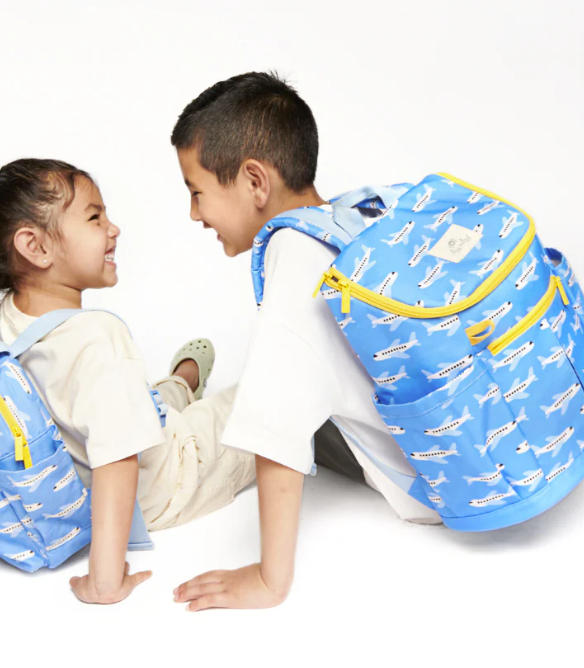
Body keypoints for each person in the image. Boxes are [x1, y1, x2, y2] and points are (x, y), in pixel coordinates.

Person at [0, 158, 255, 605]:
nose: (113, 229)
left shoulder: (6, 320)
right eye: (95, 217)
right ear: (36, 246)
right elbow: (118, 462)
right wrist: (104, 582)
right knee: (268, 396)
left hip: (89, 466)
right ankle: (185, 385)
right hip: (170, 481)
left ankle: (182, 381)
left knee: (145, 400)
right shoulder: (98, 339)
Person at [169, 72, 440, 611]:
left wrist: (269, 580)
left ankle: (170, 409)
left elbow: (275, 431)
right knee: (270, 384)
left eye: (197, 192)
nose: (195, 213)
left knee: (248, 406)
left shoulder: (293, 254)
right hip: (450, 438)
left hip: (428, 485)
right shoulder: (352, 215)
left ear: (255, 181)